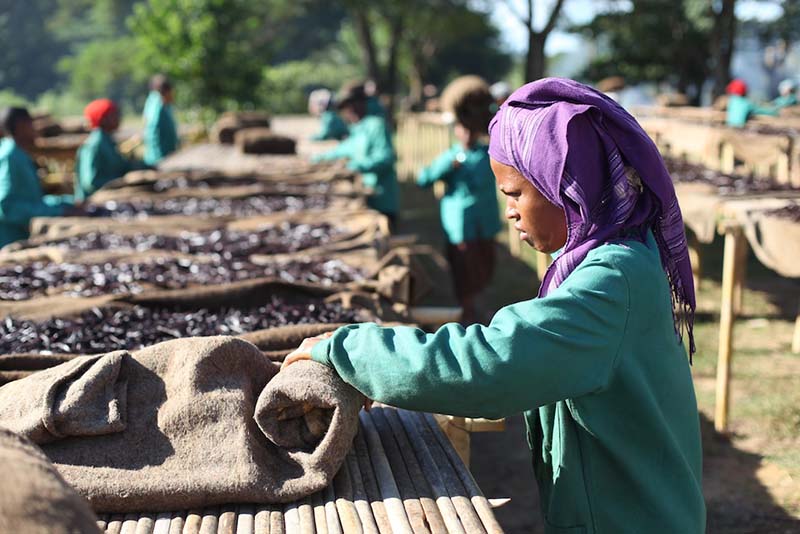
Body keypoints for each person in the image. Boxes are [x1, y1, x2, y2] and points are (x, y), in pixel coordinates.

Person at [286, 78, 706, 533]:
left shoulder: (613, 281)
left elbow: (493, 361)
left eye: (515, 193)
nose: (508, 211)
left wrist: (352, 352)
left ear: (568, 186)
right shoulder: (618, 255)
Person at [417, 121, 501, 324]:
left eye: (471, 129)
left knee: (484, 269)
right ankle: (467, 313)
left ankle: (481, 308)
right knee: (463, 272)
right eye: (463, 129)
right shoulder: (449, 156)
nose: (467, 135)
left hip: (485, 223)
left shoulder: (489, 153)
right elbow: (423, 179)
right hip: (460, 227)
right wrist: (447, 167)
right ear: (456, 130)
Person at [313, 83, 399, 226]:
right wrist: (318, 159)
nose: (348, 111)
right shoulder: (356, 129)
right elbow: (342, 150)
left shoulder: (375, 125)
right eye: (345, 108)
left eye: (351, 105)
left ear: (361, 103)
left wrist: (354, 167)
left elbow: (386, 157)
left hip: (381, 200)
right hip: (365, 198)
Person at [0, 107, 78, 247]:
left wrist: (65, 203)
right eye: (31, 125)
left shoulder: (17, 154)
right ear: (21, 126)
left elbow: (31, 199)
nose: (36, 130)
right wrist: (58, 211)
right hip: (9, 240)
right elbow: (7, 207)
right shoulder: (10, 157)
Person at [74, 99, 147, 201]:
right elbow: (90, 183)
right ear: (103, 119)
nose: (119, 117)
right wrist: (119, 181)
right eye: (114, 114)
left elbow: (121, 167)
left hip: (109, 198)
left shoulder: (108, 141)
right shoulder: (94, 144)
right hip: (92, 204)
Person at [142, 74, 179, 166]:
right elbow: (152, 131)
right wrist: (160, 158)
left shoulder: (164, 105)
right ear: (166, 92)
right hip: (159, 159)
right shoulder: (156, 105)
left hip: (166, 155)